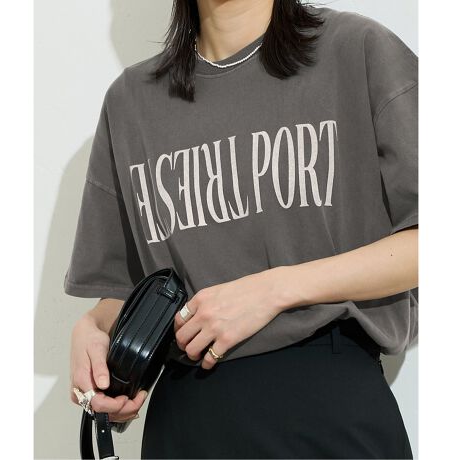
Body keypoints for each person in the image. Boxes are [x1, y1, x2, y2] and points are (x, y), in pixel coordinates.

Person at [66, 0, 418, 458]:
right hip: (186, 419)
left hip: (328, 407)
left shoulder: (357, 50)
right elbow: (122, 290)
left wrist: (275, 289)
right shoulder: (130, 102)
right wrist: (93, 329)